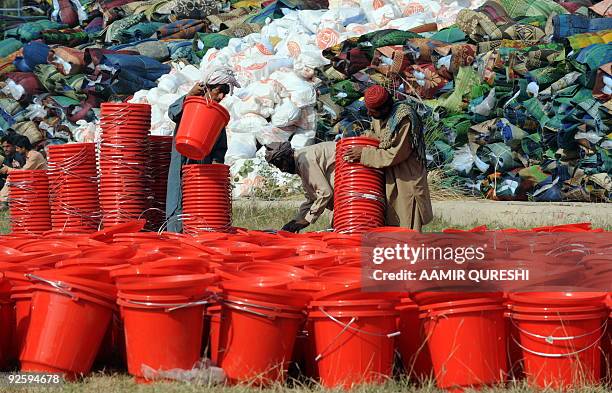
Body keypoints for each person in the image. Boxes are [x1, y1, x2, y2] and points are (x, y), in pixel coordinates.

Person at [343, 85, 433, 231]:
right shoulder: (379, 116)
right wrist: (359, 142)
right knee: (388, 230)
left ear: (384, 108)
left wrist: (364, 154)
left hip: (406, 180)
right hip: (387, 176)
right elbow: (377, 137)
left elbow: (394, 154)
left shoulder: (404, 119)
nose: (368, 113)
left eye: (372, 111)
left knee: (406, 231)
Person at [165, 66, 240, 233]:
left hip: (202, 172)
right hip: (181, 165)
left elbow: (220, 149)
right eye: (219, 91)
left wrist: (213, 173)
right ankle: (176, 244)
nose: (221, 97)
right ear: (208, 88)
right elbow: (172, 113)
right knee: (177, 203)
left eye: (224, 94)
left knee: (199, 210)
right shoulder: (190, 105)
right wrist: (190, 95)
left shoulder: (216, 115)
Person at [265, 141, 336, 233]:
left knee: (340, 229)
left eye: (281, 164)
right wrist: (296, 221)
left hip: (352, 180)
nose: (282, 170)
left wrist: (307, 220)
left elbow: (325, 192)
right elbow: (312, 198)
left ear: (288, 156)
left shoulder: (304, 161)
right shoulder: (301, 162)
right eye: (278, 166)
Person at [0, 134, 48, 210]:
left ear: (24, 148)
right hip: (35, 180)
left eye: (17, 148)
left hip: (41, 182)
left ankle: (3, 202)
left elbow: (24, 172)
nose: (16, 150)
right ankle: (4, 201)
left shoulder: (34, 155)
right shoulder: (28, 156)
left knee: (11, 177)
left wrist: (8, 170)